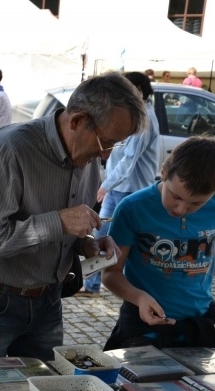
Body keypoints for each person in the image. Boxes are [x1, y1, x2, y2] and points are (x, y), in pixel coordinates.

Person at [0, 73, 145, 361]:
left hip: (48, 301)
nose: (106, 155)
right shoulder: (11, 150)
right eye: (106, 142)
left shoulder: (89, 158)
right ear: (78, 121)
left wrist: (87, 243)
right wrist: (58, 222)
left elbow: (70, 226)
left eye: (115, 145)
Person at [101, 136, 215, 350]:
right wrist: (139, 297)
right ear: (164, 172)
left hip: (197, 324)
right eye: (175, 196)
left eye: (196, 204)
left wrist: (212, 266)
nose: (180, 209)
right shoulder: (132, 208)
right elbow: (110, 273)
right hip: (142, 325)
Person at [80, 72, 160, 297]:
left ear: (139, 92)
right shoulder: (136, 115)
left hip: (132, 189)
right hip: (119, 188)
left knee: (123, 241)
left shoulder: (144, 119)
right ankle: (90, 284)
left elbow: (129, 161)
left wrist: (105, 185)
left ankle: (113, 285)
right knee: (100, 236)